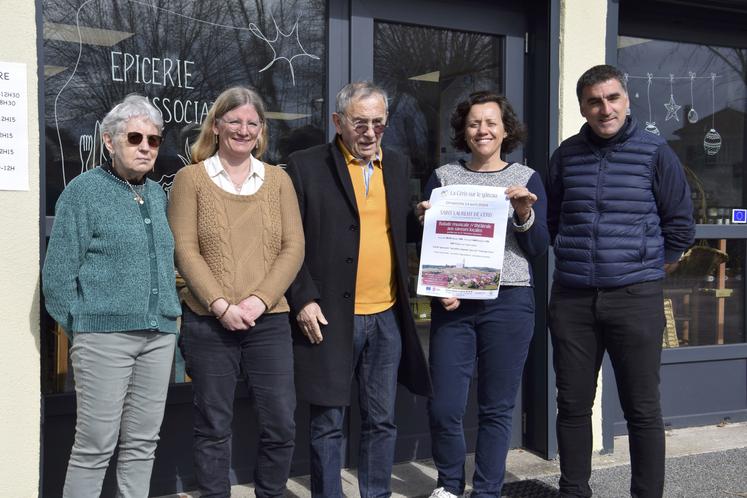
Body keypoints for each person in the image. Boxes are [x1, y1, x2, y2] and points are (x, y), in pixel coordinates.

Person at [547, 64, 695, 498]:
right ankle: (574, 491)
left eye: (612, 98)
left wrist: (649, 268)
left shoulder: (656, 153)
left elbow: (681, 227)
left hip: (636, 298)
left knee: (642, 410)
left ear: (627, 100)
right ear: (582, 107)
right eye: (594, 101)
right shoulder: (566, 155)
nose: (604, 108)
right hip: (573, 299)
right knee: (572, 405)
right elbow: (552, 220)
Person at [284, 81, 431, 498]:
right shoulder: (306, 165)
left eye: (378, 124)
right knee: (328, 421)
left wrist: (420, 220)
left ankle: (376, 494)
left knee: (381, 420)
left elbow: (393, 229)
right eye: (360, 122)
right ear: (338, 122)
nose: (369, 132)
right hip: (330, 316)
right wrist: (302, 298)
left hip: (386, 317)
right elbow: (285, 240)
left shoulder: (398, 165)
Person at [167, 86, 304, 498]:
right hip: (210, 322)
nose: (243, 130)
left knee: (281, 422)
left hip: (270, 321)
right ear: (217, 125)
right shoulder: (191, 180)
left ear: (261, 131)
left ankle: (271, 493)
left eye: (252, 122)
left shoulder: (278, 180)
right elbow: (183, 248)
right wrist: (221, 303)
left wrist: (259, 300)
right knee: (213, 425)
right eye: (234, 121)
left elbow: (294, 247)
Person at [42, 94, 181, 497]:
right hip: (103, 340)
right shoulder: (83, 192)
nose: (145, 147)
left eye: (153, 140)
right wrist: (86, 327)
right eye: (135, 137)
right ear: (109, 141)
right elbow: (58, 278)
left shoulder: (157, 194)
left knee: (142, 445)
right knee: (94, 446)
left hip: (157, 338)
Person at [417, 91, 549, 498]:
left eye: (491, 122)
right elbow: (432, 247)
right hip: (454, 303)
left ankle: (488, 490)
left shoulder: (525, 178)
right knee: (445, 407)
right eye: (474, 123)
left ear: (506, 129)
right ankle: (450, 487)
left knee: (496, 408)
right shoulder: (443, 177)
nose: (483, 130)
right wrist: (423, 222)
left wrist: (525, 214)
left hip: (509, 302)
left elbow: (540, 247)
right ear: (463, 130)